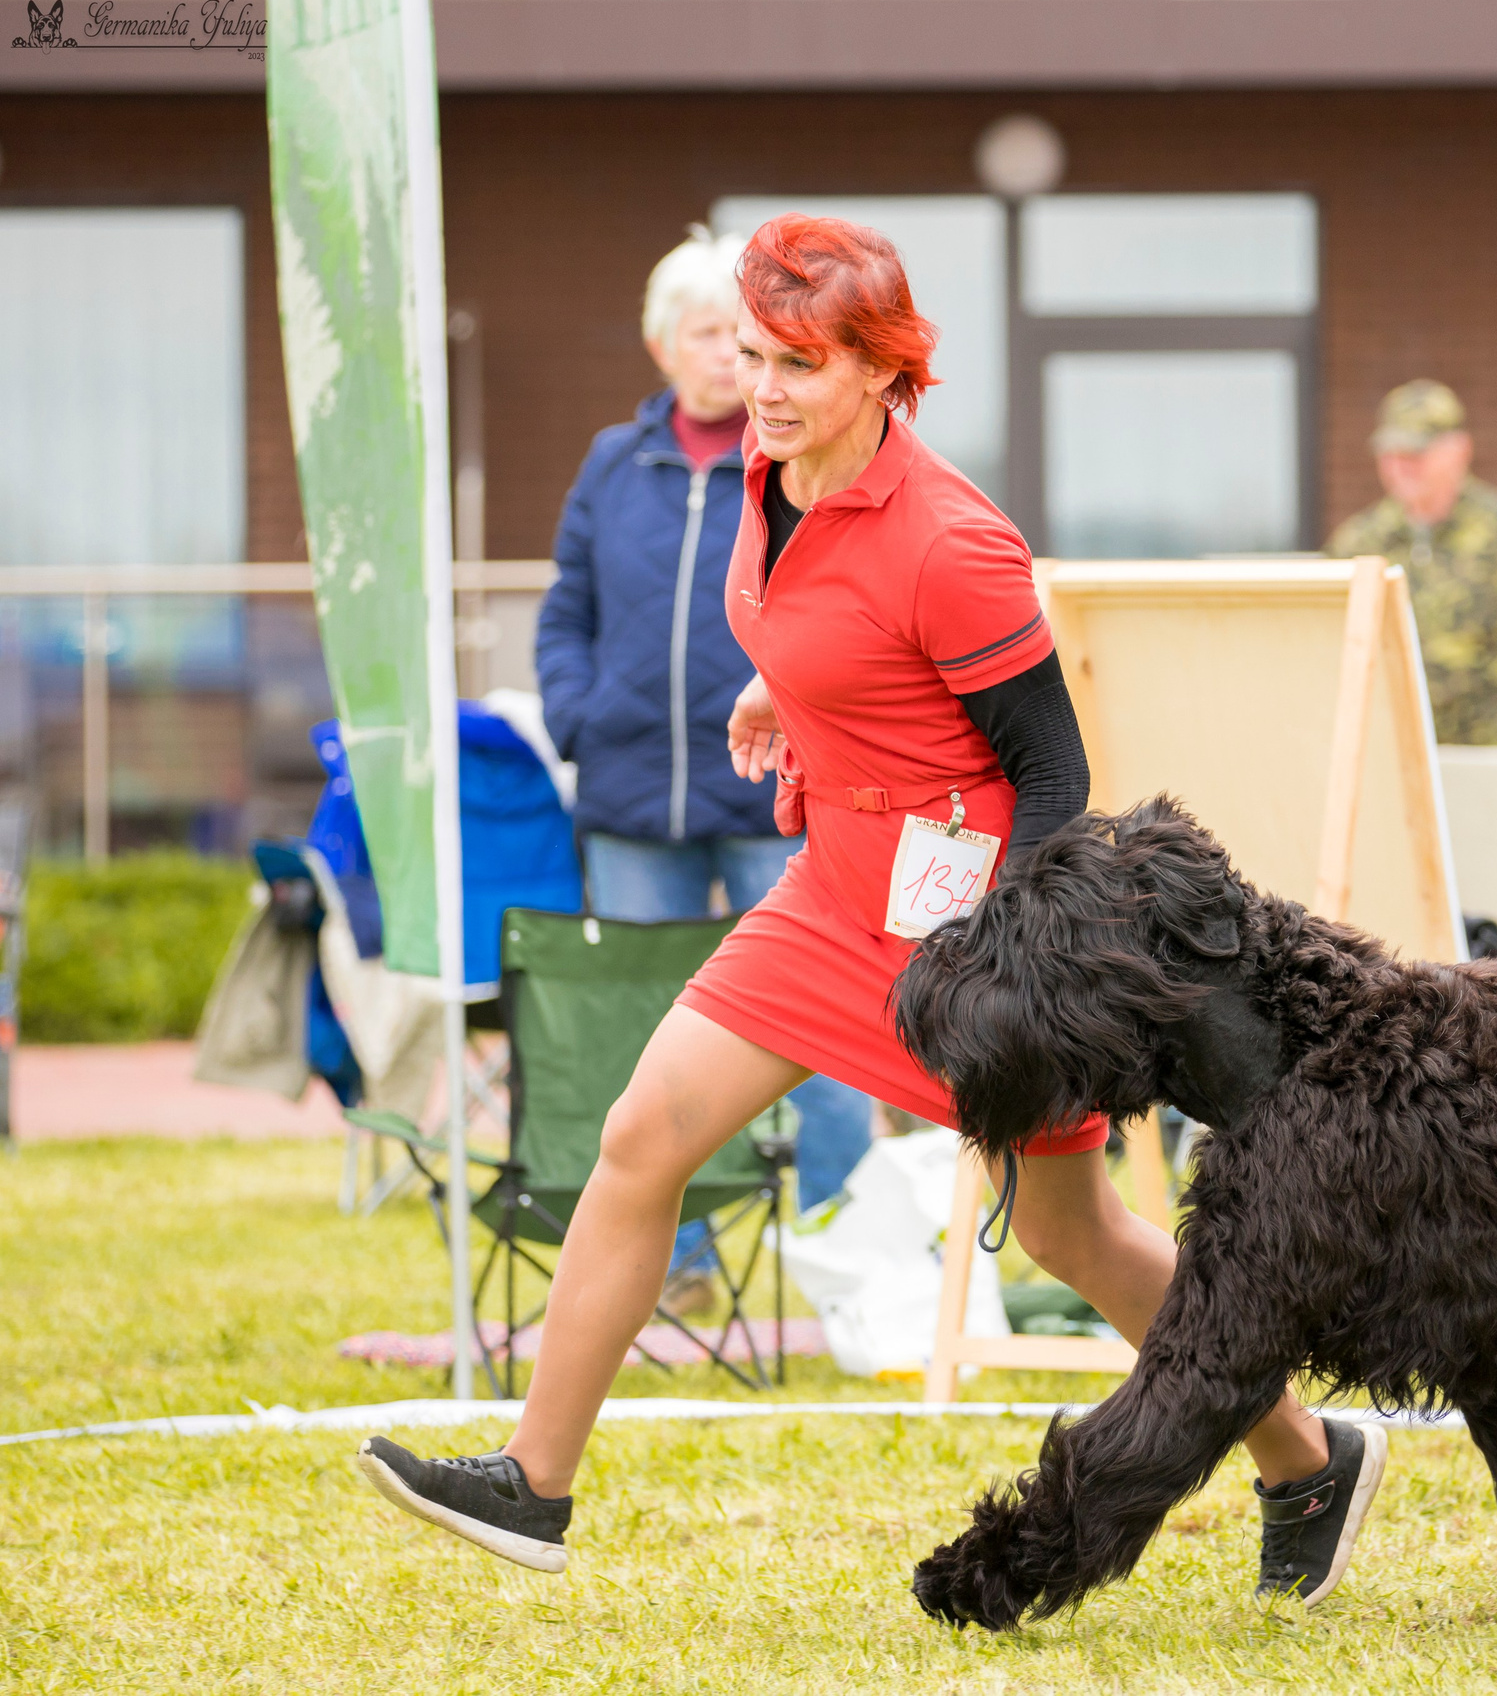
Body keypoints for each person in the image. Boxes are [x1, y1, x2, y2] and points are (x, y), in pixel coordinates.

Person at [359, 214, 1384, 1604]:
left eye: (798, 362)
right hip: (830, 889)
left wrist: (1010, 973)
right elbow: (822, 618)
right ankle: (533, 1487)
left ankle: (1307, 1459)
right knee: (641, 1133)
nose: (763, 386)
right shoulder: (769, 480)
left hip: (966, 928)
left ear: (882, 373)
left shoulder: (954, 541)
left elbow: (1052, 771)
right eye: (752, 352)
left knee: (1068, 1238)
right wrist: (783, 685)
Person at [532, 228, 872, 1304]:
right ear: (658, 344)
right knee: (650, 1040)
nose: (727, 356)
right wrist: (578, 716)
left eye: (744, 336)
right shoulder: (610, 462)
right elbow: (566, 609)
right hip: (631, 799)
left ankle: (841, 1251)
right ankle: (678, 1267)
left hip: (766, 794)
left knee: (822, 1021)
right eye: (704, 333)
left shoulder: (796, 460)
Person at [1324, 380, 1497, 807]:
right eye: (1389, 455)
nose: (1399, 467)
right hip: (1388, 766)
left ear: (1458, 450)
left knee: (1484, 873)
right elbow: (1328, 649)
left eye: (1414, 453)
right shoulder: (1358, 542)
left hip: (1488, 761)